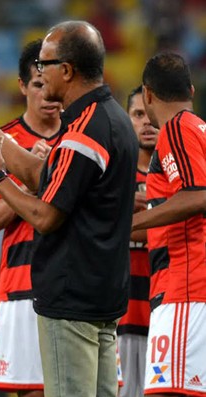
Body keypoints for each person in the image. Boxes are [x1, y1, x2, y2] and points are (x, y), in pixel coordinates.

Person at [0, 20, 139, 397]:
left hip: (71, 299)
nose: (40, 71)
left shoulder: (82, 131)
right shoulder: (112, 119)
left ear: (66, 70)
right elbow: (40, 174)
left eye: (45, 64)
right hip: (102, 297)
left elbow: (46, 216)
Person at [0, 39, 61, 396]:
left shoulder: (82, 138)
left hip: (79, 284)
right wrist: (32, 182)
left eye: (52, 83)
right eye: (38, 84)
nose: (48, 93)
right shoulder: (0, 141)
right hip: (23, 288)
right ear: (23, 86)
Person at [131, 52, 206, 396]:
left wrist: (125, 225)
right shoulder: (199, 130)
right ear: (190, 89)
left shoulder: (175, 129)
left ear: (147, 95)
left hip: (185, 291)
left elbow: (196, 196)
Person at [117, 85, 159, 397]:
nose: (146, 122)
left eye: (151, 114)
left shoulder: (181, 178)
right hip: (118, 319)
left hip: (163, 317)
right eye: (138, 114)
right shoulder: (111, 175)